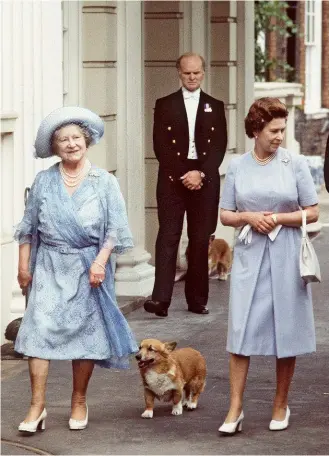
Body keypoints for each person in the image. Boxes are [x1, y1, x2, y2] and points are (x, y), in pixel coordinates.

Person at [15, 107, 138, 433]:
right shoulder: (44, 181)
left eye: (75, 138)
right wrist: (23, 266)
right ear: (55, 147)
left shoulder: (104, 182)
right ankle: (36, 406)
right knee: (37, 334)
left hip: (88, 269)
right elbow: (28, 228)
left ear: (87, 140)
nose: (71, 144)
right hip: (50, 266)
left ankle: (79, 400)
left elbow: (115, 230)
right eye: (63, 140)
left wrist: (100, 262)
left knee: (85, 335)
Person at [218, 97, 319, 434]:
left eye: (282, 129)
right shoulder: (237, 165)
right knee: (240, 330)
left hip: (287, 252)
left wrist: (277, 218)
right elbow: (227, 214)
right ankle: (235, 408)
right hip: (249, 254)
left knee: (285, 329)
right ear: (256, 130)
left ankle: (280, 403)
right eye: (274, 130)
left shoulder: (295, 163)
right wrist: (248, 217)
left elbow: (313, 210)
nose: (279, 136)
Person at [144, 52, 227, 317]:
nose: (192, 77)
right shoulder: (164, 104)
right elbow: (160, 146)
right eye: (187, 73)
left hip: (204, 180)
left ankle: (197, 300)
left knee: (200, 240)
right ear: (178, 73)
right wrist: (184, 174)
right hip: (172, 179)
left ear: (203, 73)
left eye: (197, 73)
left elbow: (218, 147)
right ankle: (160, 299)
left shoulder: (215, 105)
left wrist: (200, 174)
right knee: (168, 236)